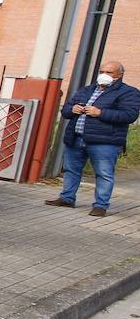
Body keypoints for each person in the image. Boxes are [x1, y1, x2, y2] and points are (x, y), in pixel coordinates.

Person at [47, 60, 140, 217]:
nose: (104, 75)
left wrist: (100, 113)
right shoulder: (87, 90)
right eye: (102, 71)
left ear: (120, 75)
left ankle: (100, 206)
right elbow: (66, 110)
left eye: (109, 72)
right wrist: (72, 109)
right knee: (71, 170)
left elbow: (129, 115)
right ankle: (67, 198)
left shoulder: (128, 92)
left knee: (104, 173)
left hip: (104, 142)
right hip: (76, 138)